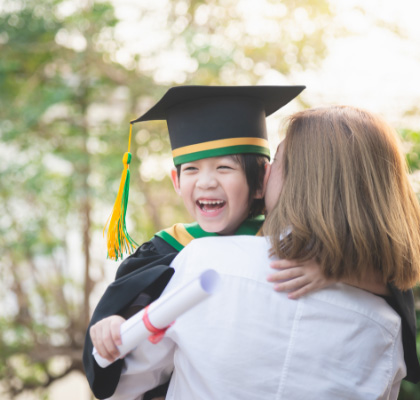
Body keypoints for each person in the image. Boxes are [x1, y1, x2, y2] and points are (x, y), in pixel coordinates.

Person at [106, 105, 420, 399]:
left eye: (277, 161)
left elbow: (124, 381)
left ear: (300, 179)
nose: (266, 173)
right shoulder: (389, 323)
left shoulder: (204, 266)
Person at [84, 85, 311, 399]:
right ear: (176, 182)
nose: (206, 182)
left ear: (261, 181)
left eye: (224, 167)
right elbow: (116, 350)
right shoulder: (164, 251)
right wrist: (112, 325)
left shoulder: (291, 246)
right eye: (191, 169)